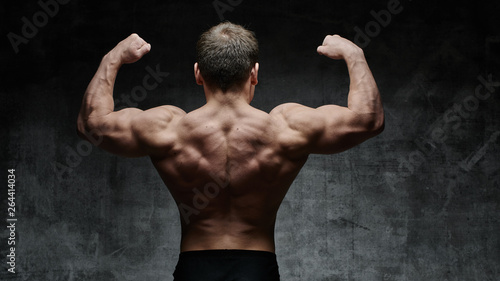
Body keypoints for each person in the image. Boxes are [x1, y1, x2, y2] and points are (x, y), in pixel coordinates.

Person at [77, 22, 384, 281]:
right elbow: (369, 120)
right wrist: (353, 54)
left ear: (198, 73)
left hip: (195, 268)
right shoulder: (287, 127)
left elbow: (91, 123)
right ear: (254, 73)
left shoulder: (167, 128)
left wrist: (113, 57)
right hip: (257, 269)